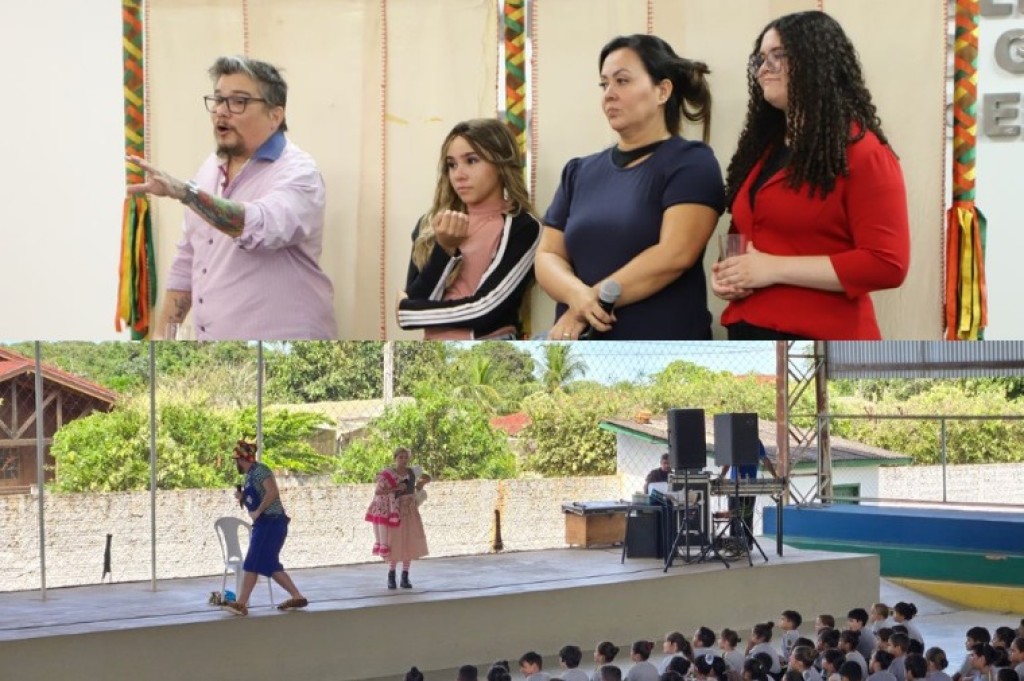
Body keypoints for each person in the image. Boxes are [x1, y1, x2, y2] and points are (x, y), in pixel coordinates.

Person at [712, 10, 909, 340]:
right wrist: (728, 272)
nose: (764, 68)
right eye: (760, 58)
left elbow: (887, 264)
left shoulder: (864, 153)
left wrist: (771, 268)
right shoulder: (763, 150)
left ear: (817, 63)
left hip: (822, 341)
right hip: (748, 333)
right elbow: (743, 232)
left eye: (778, 56)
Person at [128, 55, 336, 340]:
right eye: (218, 100)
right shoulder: (209, 168)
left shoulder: (299, 173)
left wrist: (186, 193)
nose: (221, 112)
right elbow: (189, 258)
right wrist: (162, 338)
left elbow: (257, 226)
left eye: (238, 102)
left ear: (275, 116)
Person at [535, 33, 725, 340]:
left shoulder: (691, 162)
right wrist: (577, 297)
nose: (609, 94)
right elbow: (547, 255)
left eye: (622, 81)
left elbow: (674, 254)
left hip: (664, 348)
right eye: (604, 84)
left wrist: (589, 304)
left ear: (662, 91)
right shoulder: (578, 172)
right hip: (583, 349)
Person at [396, 118, 541, 339]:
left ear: (500, 164)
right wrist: (444, 249)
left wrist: (409, 313)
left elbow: (486, 308)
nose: (459, 175)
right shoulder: (431, 223)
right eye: (452, 164)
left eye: (471, 161)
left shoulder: (524, 227)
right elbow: (419, 298)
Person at [222, 440, 308, 615]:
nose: (236, 463)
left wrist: (258, 511)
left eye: (236, 460)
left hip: (270, 522)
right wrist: (243, 497)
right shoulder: (251, 475)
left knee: (253, 562)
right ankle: (297, 596)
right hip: (268, 523)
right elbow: (259, 496)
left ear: (242, 459)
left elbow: (272, 491)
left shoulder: (261, 471)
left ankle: (241, 603)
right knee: (267, 564)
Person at [364, 446, 430, 589]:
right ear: (395, 458)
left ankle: (405, 576)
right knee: (394, 541)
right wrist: (395, 489)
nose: (404, 460)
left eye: (406, 457)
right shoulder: (389, 474)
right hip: (395, 510)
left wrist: (421, 485)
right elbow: (379, 492)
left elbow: (415, 489)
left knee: (409, 541)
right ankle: (391, 575)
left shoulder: (411, 473)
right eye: (401, 457)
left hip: (410, 510)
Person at [718, 439, 779, 548]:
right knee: (736, 516)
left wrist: (775, 476)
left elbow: (765, 459)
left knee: (745, 516)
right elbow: (728, 462)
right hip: (736, 485)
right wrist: (721, 476)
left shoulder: (754, 441)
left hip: (749, 485)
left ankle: (745, 544)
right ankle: (737, 543)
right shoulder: (738, 440)